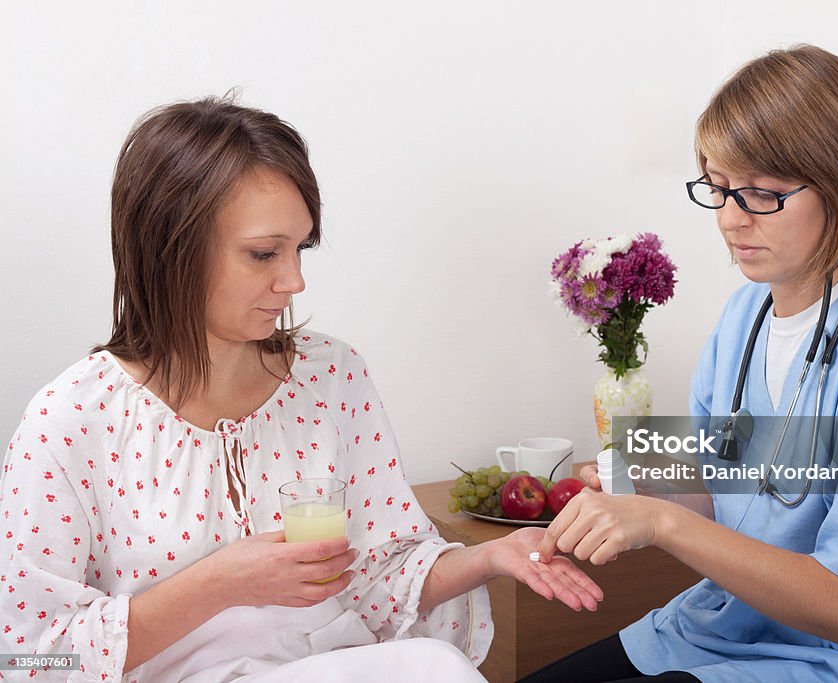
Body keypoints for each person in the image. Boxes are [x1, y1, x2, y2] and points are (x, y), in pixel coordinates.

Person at [0, 98, 602, 682]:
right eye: (264, 254)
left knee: (438, 667)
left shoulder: (331, 376)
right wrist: (220, 583)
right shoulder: (73, 419)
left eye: (299, 249)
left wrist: (488, 558)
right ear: (170, 250)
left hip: (346, 666)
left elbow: (378, 578)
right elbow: (30, 660)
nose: (293, 281)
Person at [523, 45, 838, 682]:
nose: (729, 219)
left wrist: (658, 521)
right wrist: (631, 477)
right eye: (717, 188)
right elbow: (725, 482)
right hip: (734, 626)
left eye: (763, 194)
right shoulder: (744, 317)